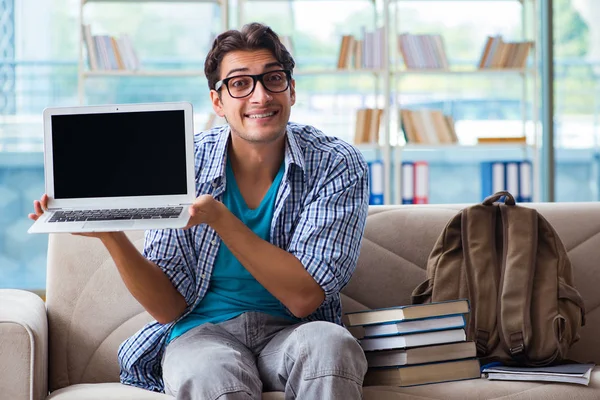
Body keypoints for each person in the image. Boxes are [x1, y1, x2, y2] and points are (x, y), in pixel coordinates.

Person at [29, 22, 369, 400]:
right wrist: (112, 234)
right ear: (217, 101)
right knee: (208, 376)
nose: (260, 96)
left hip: (296, 329)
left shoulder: (336, 163)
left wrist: (221, 220)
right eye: (240, 84)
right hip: (202, 334)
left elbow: (305, 298)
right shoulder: (183, 162)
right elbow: (168, 307)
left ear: (291, 90)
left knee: (331, 347)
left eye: (273, 79)